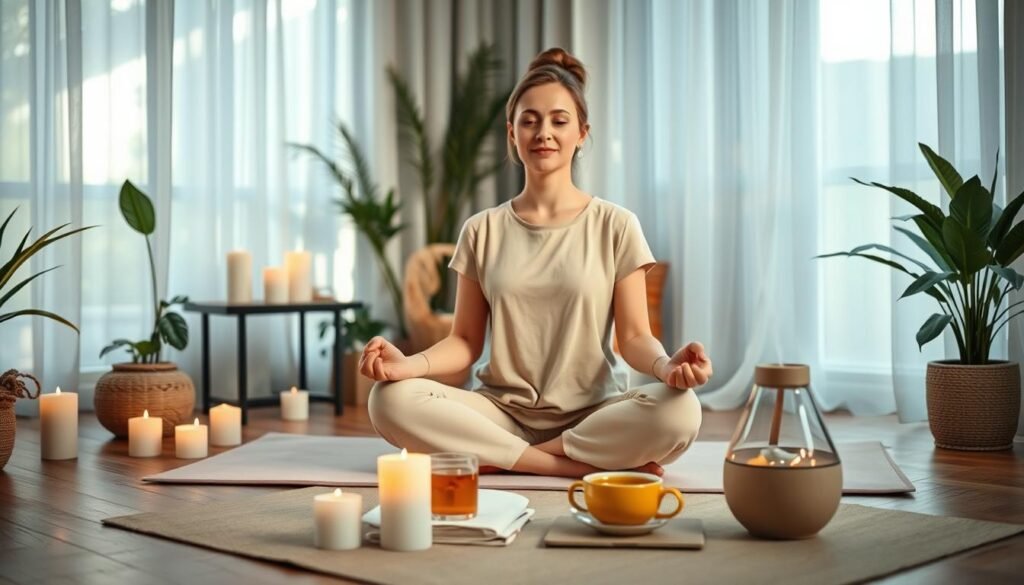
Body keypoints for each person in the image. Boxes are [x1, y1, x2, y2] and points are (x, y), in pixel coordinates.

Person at [360, 47, 712, 478]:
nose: (543, 132)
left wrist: (666, 366)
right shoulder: (481, 229)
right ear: (512, 132)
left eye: (559, 121)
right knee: (389, 399)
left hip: (592, 415)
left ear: (582, 132)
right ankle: (560, 465)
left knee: (681, 413)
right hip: (499, 413)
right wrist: (406, 366)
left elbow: (636, 336)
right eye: (530, 120)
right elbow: (466, 341)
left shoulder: (616, 225)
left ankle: (504, 456)